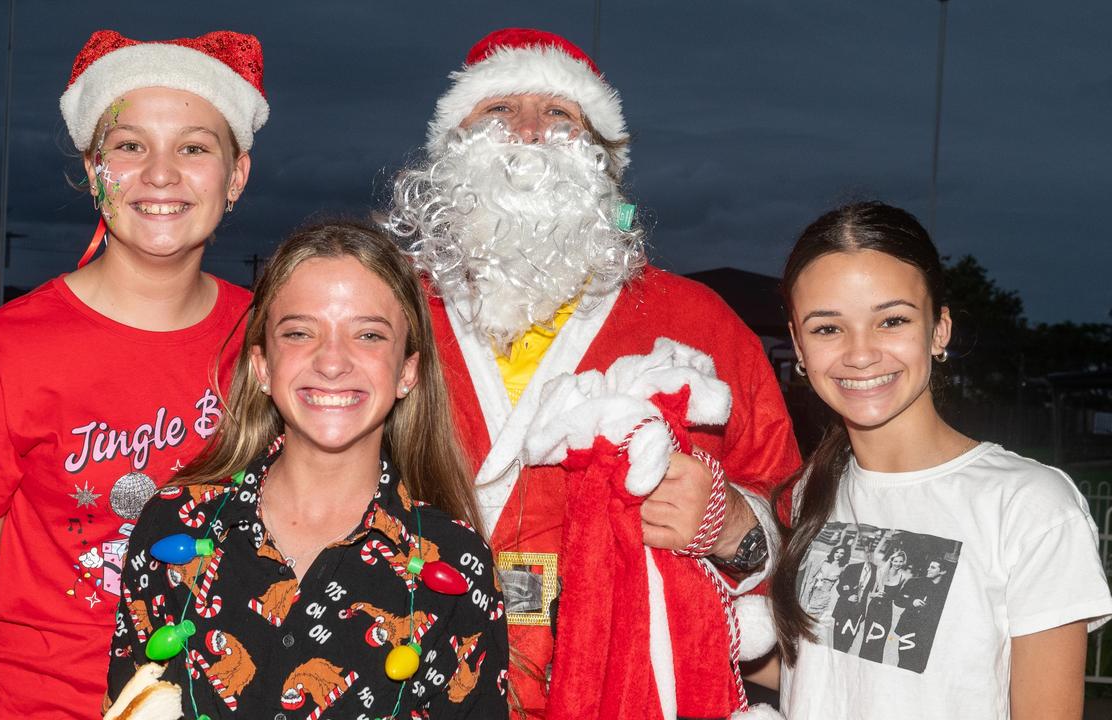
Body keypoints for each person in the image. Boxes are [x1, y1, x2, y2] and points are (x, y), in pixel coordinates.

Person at [384, 27, 800, 720]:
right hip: (404, 678)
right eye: (497, 110)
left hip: (620, 687)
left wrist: (731, 524)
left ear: (604, 161)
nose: (528, 132)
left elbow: (791, 504)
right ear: (450, 148)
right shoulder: (380, 311)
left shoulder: (695, 319)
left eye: (559, 115)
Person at [0, 29, 268, 719]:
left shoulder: (277, 342)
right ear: (94, 168)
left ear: (236, 175)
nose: (161, 173)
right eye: (129, 146)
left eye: (194, 146)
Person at [106, 222, 508, 719]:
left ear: (407, 372)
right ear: (262, 367)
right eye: (299, 332)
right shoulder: (173, 524)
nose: (333, 361)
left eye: (368, 334)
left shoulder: (456, 562)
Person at [770, 201, 1112, 719]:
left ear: (939, 331)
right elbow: (817, 670)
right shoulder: (806, 494)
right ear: (798, 344)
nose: (861, 354)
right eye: (827, 328)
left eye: (891, 321)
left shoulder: (1030, 505)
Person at [801, 544, 850, 619]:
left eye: (841, 553)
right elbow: (812, 575)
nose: (838, 555)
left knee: (815, 617)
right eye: (837, 552)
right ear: (833, 552)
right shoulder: (824, 562)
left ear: (844, 555)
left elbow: (843, 583)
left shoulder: (843, 568)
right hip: (814, 591)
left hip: (825, 595)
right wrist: (812, 585)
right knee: (806, 614)